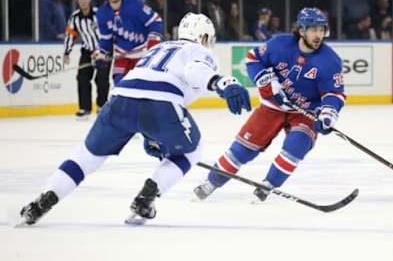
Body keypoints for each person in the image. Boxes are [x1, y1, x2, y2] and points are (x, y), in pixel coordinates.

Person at [18, 13, 252, 226]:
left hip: (120, 99)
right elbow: (194, 71)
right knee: (192, 150)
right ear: (202, 37)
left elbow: (140, 88)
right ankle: (146, 197)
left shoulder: (156, 49)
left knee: (86, 157)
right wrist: (221, 82)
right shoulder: (201, 52)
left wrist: (149, 134)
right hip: (160, 104)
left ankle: (44, 199)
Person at [193, 8, 345, 202]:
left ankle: (268, 185)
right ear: (301, 30)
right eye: (313, 30)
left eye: (321, 30)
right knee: (242, 150)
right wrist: (265, 81)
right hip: (271, 107)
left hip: (304, 112)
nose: (318, 35)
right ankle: (210, 183)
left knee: (297, 145)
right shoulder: (279, 44)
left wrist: (328, 113)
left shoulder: (330, 61)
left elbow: (334, 93)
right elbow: (253, 59)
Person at [93, 0, 163, 85]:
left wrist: (153, 41)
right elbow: (106, 40)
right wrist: (102, 55)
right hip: (122, 56)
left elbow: (156, 21)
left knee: (141, 87)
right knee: (119, 86)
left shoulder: (135, 4)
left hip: (141, 54)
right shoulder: (102, 14)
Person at [63, 0, 111, 118]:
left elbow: (108, 32)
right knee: (82, 78)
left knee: (101, 79)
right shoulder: (75, 17)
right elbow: (70, 34)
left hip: (103, 52)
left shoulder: (99, 14)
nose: (83, 1)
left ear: (90, 0)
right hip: (87, 51)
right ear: (78, 1)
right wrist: (67, 52)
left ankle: (102, 105)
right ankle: (85, 108)